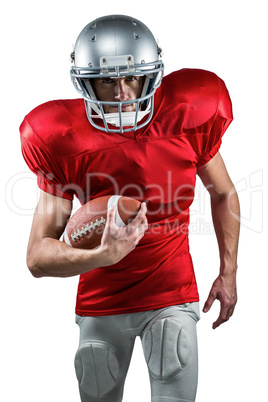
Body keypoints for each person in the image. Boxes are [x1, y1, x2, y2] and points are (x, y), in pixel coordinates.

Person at [20, 14, 240, 402]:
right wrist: (101, 255)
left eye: (132, 78)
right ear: (86, 82)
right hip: (102, 301)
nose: (122, 93)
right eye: (107, 80)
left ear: (151, 75)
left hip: (172, 293)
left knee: (173, 361)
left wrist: (228, 272)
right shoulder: (62, 139)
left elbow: (222, 193)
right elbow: (38, 256)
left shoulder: (186, 117)